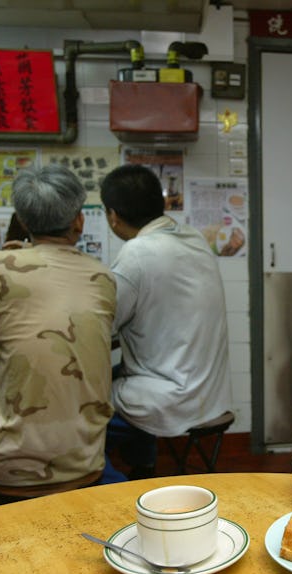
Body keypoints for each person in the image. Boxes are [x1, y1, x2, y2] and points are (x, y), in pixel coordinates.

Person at [0, 165, 124, 507]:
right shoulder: (102, 277)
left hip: (9, 468)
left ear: (23, 219)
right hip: (85, 460)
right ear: (79, 222)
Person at [100, 164, 231, 478]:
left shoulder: (136, 253)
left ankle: (112, 488)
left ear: (113, 215)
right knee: (120, 372)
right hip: (210, 393)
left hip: (172, 398)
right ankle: (143, 466)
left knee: (81, 407)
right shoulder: (193, 239)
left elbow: (104, 323)